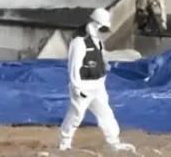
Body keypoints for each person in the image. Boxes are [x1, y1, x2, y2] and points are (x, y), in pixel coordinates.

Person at [58, 8, 135, 153]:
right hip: (83, 86)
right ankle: (64, 144)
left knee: (106, 114)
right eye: (101, 27)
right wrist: (77, 87)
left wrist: (104, 68)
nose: (102, 30)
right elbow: (74, 66)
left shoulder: (97, 42)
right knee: (76, 115)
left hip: (97, 85)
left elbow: (100, 57)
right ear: (93, 23)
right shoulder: (79, 42)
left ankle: (114, 142)